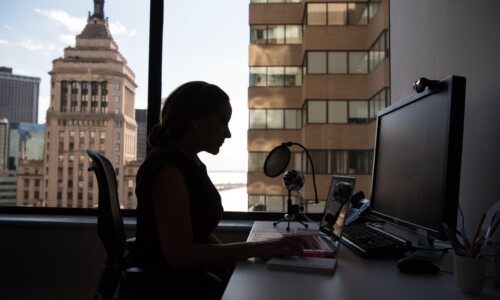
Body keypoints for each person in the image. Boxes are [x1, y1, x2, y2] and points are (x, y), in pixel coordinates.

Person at [125, 81, 303, 299]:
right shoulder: (168, 169)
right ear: (196, 118)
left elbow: (198, 231)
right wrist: (256, 249)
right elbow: (180, 255)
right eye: (222, 121)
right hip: (171, 289)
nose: (227, 133)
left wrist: (235, 261)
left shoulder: (189, 162)